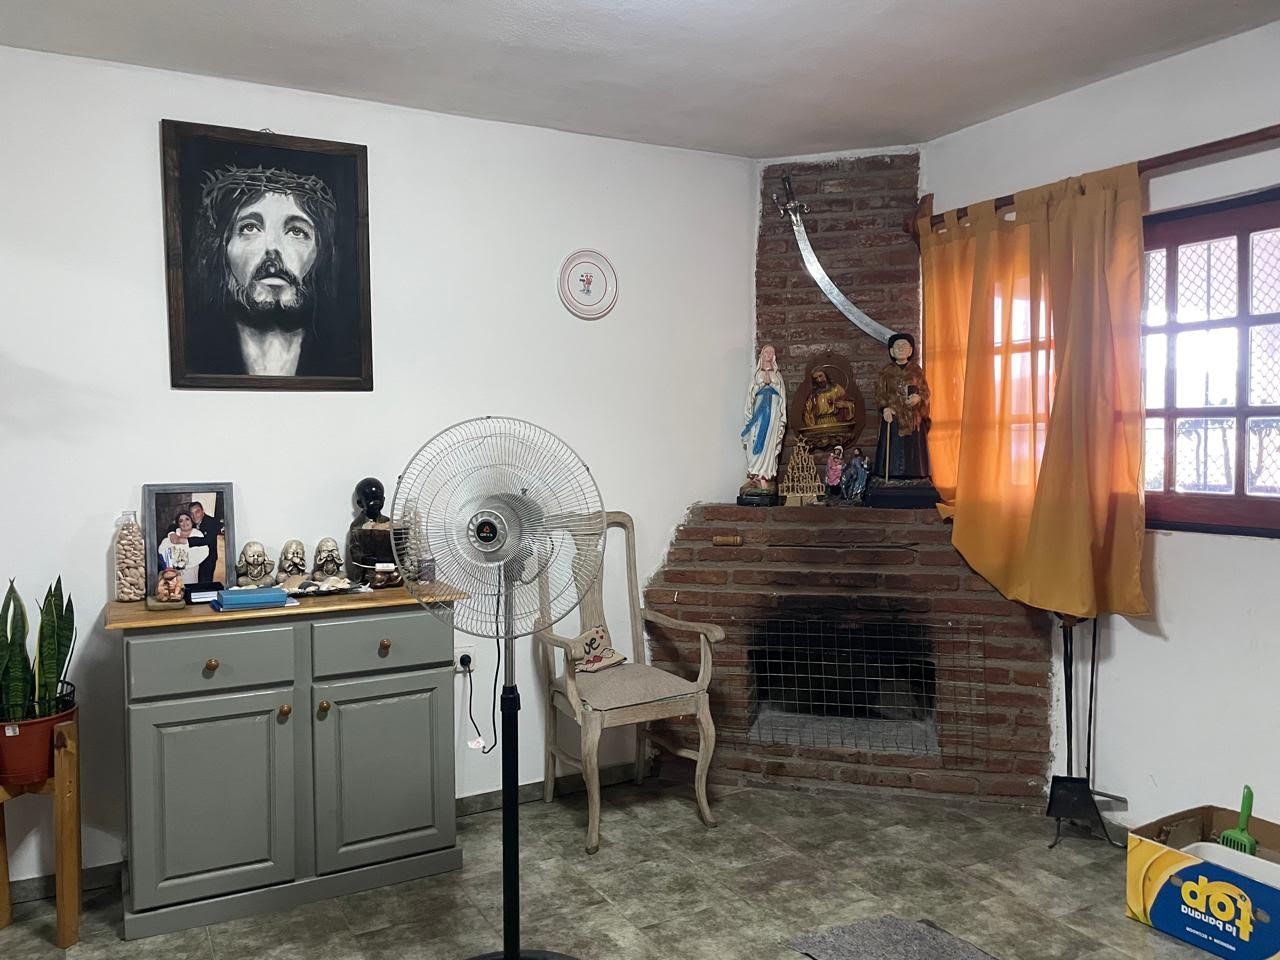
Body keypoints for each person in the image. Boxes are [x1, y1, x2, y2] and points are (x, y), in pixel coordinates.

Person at [186, 164, 355, 378]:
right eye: (250, 228)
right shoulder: (194, 356)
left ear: (321, 252)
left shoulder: (344, 361)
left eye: (296, 231)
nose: (272, 247)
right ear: (223, 248)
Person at [873, 333, 932, 480]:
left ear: (911, 350)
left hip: (912, 416)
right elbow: (880, 393)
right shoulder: (886, 371)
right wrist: (885, 408)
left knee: (913, 446)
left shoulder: (916, 370)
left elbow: (925, 391)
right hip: (893, 416)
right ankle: (891, 474)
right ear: (891, 351)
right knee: (893, 445)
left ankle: (915, 475)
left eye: (904, 346)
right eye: (897, 346)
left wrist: (919, 398)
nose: (900, 349)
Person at [740, 344, 787, 492]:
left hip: (773, 412)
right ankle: (754, 473)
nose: (768, 354)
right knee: (755, 438)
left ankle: (765, 475)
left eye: (771, 352)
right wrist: (762, 383)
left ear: (774, 356)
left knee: (769, 441)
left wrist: (772, 382)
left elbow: (782, 395)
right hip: (759, 410)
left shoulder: (777, 375)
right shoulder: (757, 374)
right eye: (766, 352)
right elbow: (751, 395)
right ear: (761, 355)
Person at [157, 510, 209, 586]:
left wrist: (183, 563)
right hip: (173, 574)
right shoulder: (173, 534)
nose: (184, 523)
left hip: (190, 572)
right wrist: (173, 563)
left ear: (192, 521)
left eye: (187, 519)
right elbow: (162, 550)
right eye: (181, 521)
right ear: (178, 524)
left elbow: (204, 551)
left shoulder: (198, 534)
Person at [189, 500, 222, 583]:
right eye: (192, 514)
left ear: (203, 511)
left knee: (204, 584)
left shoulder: (212, 522)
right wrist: (171, 533)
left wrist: (187, 541)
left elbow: (208, 540)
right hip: (195, 558)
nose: (194, 516)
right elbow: (175, 525)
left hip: (208, 560)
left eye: (197, 512)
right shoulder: (191, 522)